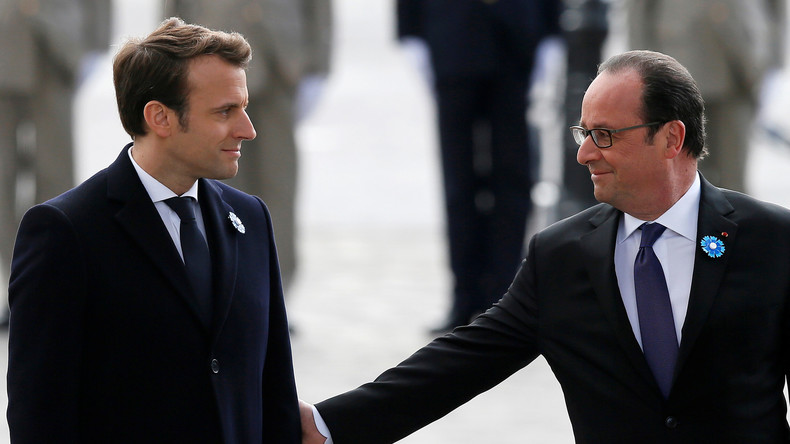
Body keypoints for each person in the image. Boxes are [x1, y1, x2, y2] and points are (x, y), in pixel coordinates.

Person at [300, 50, 790, 443]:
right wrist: (326, 424)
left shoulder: (771, 239)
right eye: (583, 133)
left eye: (605, 135)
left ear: (670, 138)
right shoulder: (564, 255)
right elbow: (460, 364)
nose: (584, 153)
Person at [7, 18, 301, 443]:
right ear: (160, 117)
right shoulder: (66, 232)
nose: (247, 129)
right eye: (224, 112)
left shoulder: (250, 218)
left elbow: (274, 396)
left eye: (244, 107)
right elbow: (41, 417)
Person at [396, 0, 561, 332]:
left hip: (517, 38)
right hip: (450, 33)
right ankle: (463, 295)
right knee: (458, 182)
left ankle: (506, 296)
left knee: (514, 178)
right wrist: (410, 31)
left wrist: (552, 30)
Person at [164, 0, 333, 292]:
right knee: (211, 180)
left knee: (277, 182)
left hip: (282, 58)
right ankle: (217, 282)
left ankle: (274, 289)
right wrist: (168, 61)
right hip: (207, 52)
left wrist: (319, 60)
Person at [0, 0, 112, 326]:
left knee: (55, 174)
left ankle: (54, 282)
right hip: (5, 45)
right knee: (1, 179)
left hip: (59, 50)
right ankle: (19, 280)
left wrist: (96, 47)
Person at [626, 0, 782, 192]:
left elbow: (776, 7)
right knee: (689, 172)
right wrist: (643, 69)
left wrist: (774, 58)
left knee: (735, 175)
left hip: (744, 61)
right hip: (683, 60)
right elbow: (638, 11)